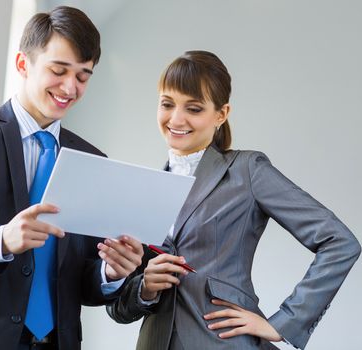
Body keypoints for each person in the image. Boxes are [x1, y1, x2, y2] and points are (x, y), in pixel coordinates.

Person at [0, 6, 143, 350]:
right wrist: (1, 240)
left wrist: (111, 273)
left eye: (83, 76)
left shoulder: (92, 161)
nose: (70, 87)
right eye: (59, 70)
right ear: (23, 64)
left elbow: (80, 281)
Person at [106, 50, 360, 350]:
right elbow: (118, 308)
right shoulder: (144, 190)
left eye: (194, 108)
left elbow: (340, 241)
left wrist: (284, 323)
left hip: (224, 343)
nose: (176, 119)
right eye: (167, 104)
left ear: (221, 114)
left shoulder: (247, 170)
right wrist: (145, 288)